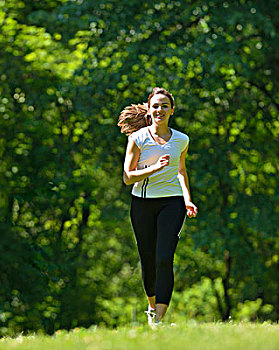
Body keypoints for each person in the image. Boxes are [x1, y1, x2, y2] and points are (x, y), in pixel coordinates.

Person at [118, 87, 198, 327]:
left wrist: (187, 199)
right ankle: (152, 307)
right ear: (149, 110)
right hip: (142, 204)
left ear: (172, 110)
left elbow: (181, 172)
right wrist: (153, 169)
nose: (160, 110)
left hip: (172, 203)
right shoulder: (138, 138)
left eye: (165, 106)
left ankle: (160, 320)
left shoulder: (181, 140)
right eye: (156, 106)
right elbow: (127, 177)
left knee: (165, 258)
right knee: (148, 259)